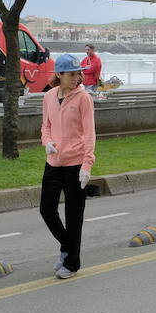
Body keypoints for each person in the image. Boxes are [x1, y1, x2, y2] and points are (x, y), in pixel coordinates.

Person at [40, 53, 97, 279]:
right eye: (71, 74)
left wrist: (87, 164)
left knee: (74, 216)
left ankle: (72, 263)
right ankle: (67, 247)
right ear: (59, 75)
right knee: (47, 210)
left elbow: (90, 133)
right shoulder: (49, 96)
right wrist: (47, 143)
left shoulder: (84, 98)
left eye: (78, 73)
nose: (76, 78)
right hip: (53, 162)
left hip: (75, 163)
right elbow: (45, 127)